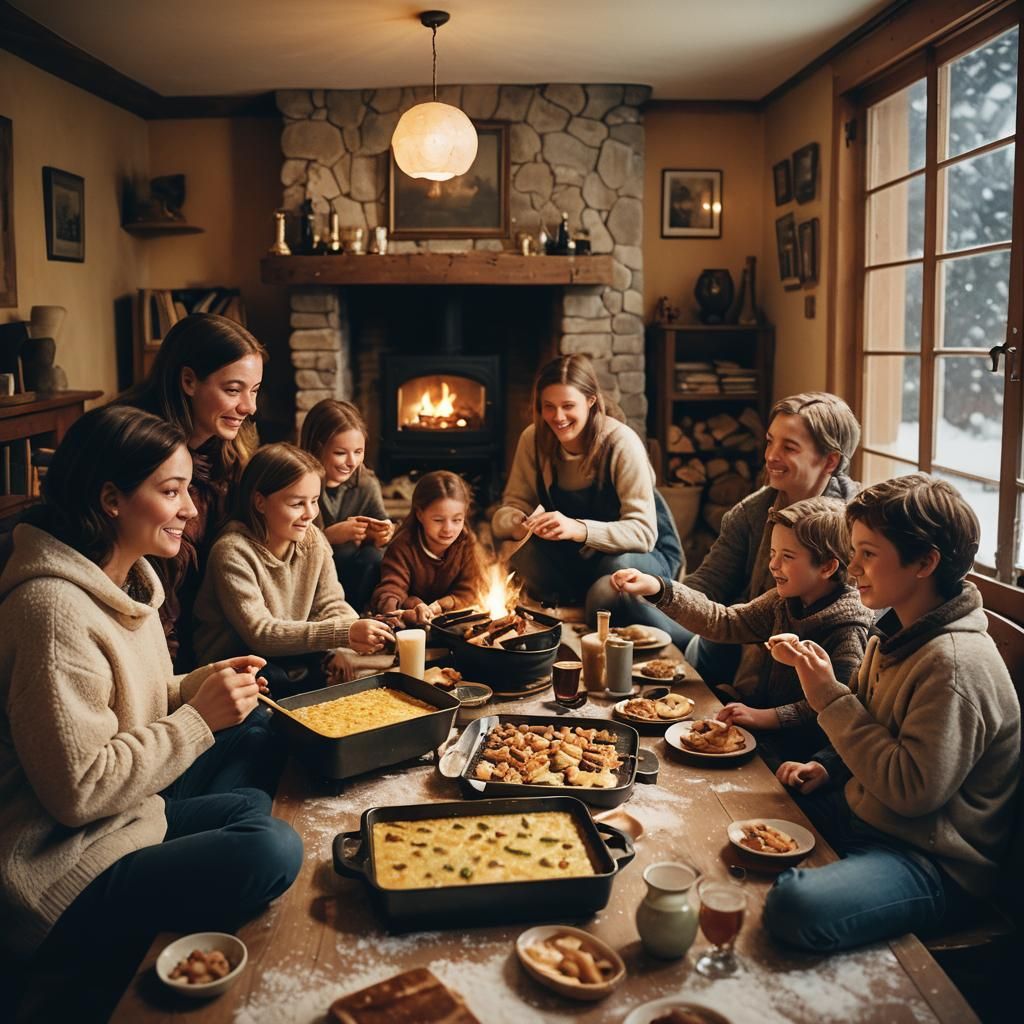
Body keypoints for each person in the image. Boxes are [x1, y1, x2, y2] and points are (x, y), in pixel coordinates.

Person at [0, 406, 302, 1014]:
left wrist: (193, 688)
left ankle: (168, 896)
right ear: (111, 498)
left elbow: (130, 702)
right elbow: (77, 791)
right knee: (271, 847)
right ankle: (102, 960)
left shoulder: (125, 579)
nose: (191, 509)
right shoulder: (53, 612)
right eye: (172, 491)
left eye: (188, 488)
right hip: (63, 866)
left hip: (128, 817)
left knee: (261, 736)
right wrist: (196, 720)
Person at [762, 475, 1020, 951]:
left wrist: (827, 697)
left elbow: (911, 791)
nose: (853, 567)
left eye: (867, 554)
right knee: (749, 800)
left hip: (929, 861)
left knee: (793, 906)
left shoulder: (954, 666)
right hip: (866, 816)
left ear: (925, 562)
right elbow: (871, 720)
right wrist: (827, 765)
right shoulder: (897, 631)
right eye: (853, 552)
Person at [610, 497, 872, 766]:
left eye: (788, 557)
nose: (773, 565)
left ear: (827, 566)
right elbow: (725, 621)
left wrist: (767, 717)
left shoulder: (847, 628)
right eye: (772, 553)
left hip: (804, 757)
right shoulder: (782, 602)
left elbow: (837, 703)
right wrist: (658, 588)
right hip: (766, 734)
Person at [491, 354, 683, 635]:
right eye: (548, 407)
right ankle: (579, 608)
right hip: (578, 557)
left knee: (611, 581)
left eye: (568, 406)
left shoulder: (621, 443)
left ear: (591, 400)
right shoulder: (532, 440)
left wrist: (577, 528)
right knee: (521, 562)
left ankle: (583, 610)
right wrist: (514, 520)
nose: (558, 417)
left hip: (642, 554)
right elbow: (512, 505)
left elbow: (643, 533)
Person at [120, 313, 268, 670]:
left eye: (254, 390)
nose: (250, 407)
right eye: (233, 390)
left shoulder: (234, 451)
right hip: (151, 642)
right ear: (188, 380)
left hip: (211, 628)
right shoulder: (136, 449)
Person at [681, 391, 861, 684]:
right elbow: (708, 584)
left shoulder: (857, 525)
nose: (770, 456)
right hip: (734, 635)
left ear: (830, 461)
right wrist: (660, 595)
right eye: (769, 441)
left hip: (814, 657)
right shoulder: (750, 512)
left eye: (789, 447)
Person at [192, 443, 393, 696]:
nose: (310, 514)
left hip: (287, 656)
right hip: (236, 666)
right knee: (289, 683)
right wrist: (343, 634)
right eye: (297, 503)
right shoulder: (232, 551)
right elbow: (261, 634)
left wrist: (356, 632)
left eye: (315, 501)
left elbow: (330, 603)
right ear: (260, 502)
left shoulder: (312, 539)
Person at [299, 399, 392, 613]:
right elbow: (283, 547)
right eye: (341, 453)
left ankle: (357, 616)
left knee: (373, 557)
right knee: (342, 552)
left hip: (354, 577)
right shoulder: (299, 483)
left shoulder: (366, 482)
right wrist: (329, 537)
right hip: (309, 575)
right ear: (317, 447)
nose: (352, 462)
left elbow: (381, 523)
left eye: (358, 452)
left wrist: (383, 533)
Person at [371, 470, 484, 625]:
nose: (448, 529)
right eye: (438, 520)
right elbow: (391, 589)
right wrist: (413, 606)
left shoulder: (467, 543)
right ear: (420, 514)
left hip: (453, 624)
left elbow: (471, 592)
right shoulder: (403, 546)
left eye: (457, 520)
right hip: (411, 624)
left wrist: (441, 605)